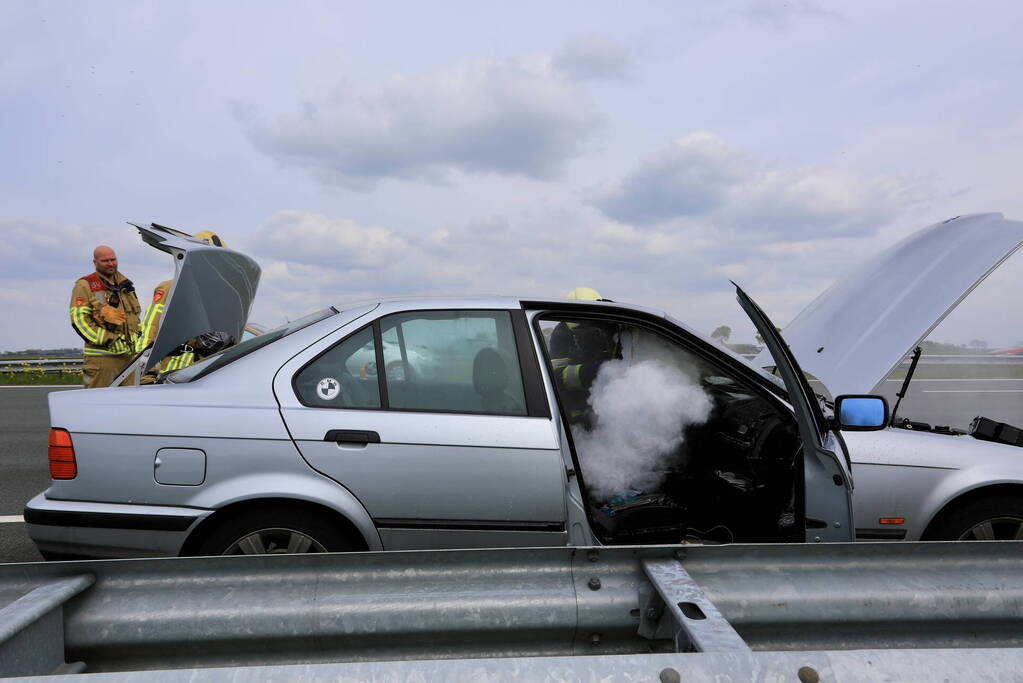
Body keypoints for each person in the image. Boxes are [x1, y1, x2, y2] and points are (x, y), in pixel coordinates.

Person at [137, 230, 231, 380]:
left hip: (208, 373)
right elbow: (150, 329)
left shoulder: (218, 297)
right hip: (175, 373)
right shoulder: (171, 288)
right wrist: (146, 373)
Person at [69, 245, 142, 388]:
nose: (111, 263)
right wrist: (110, 340)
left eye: (113, 259)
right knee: (98, 403)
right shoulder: (85, 285)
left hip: (129, 358)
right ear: (95, 262)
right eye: (105, 260)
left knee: (130, 405)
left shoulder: (125, 286)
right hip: (102, 359)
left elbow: (135, 319)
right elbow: (79, 321)